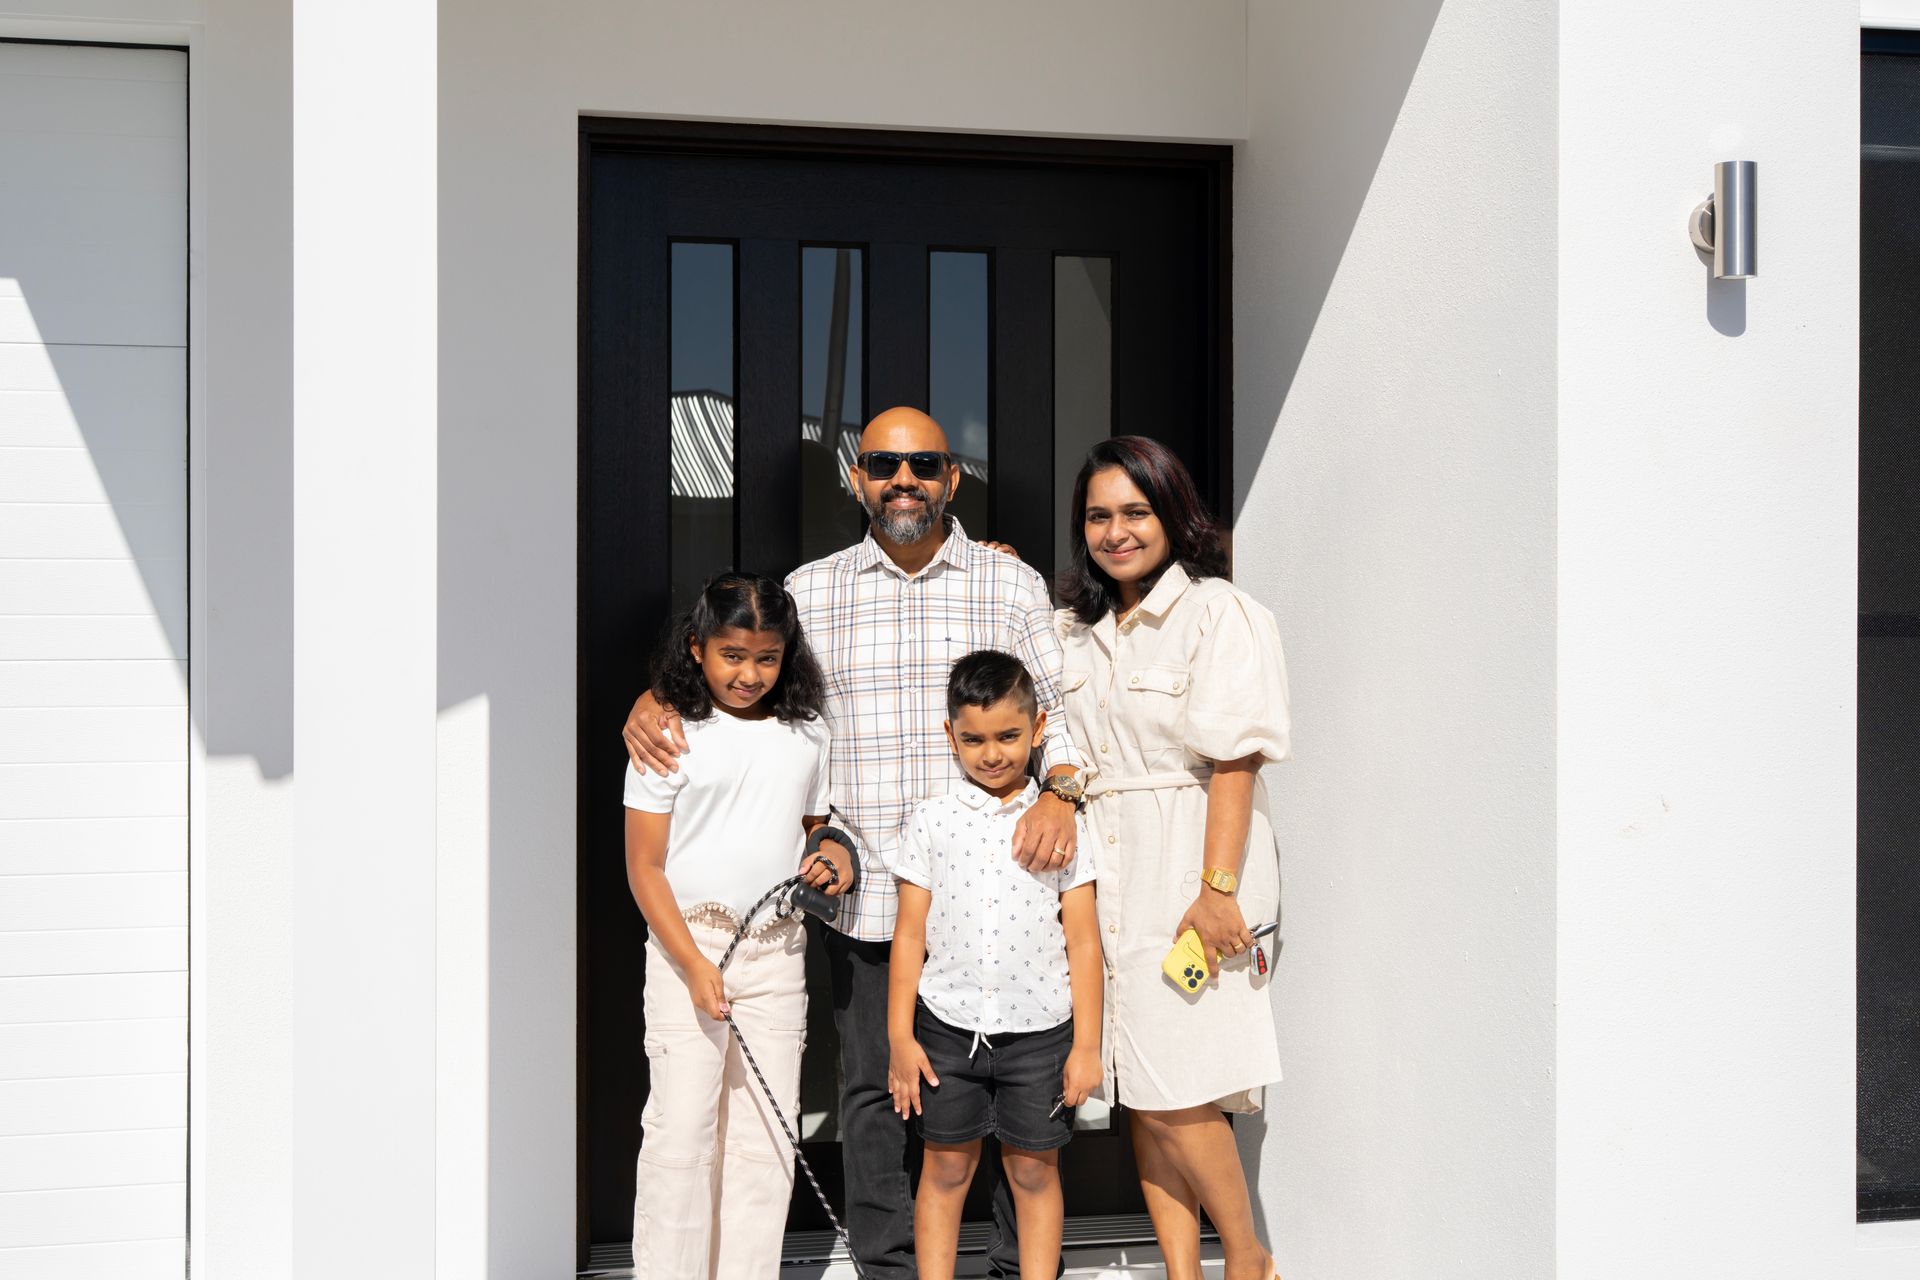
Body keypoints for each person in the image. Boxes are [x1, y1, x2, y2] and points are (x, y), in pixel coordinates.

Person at [623, 407, 1088, 1280]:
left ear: (954, 478)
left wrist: (1062, 790)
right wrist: (656, 699)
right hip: (872, 891)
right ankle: (889, 1266)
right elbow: (745, 682)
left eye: (923, 465)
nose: (902, 480)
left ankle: (1009, 1269)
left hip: (1004, 894)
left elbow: (1060, 710)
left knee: (1008, 1108)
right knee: (873, 1096)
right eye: (882, 463)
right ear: (856, 478)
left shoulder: (1009, 587)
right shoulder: (811, 591)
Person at [1055, 436, 1290, 1280]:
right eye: (1098, 516)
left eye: (1134, 512)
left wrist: (1217, 889)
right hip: (1109, 870)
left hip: (1191, 863)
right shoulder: (1074, 630)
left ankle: (1248, 1258)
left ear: (1171, 514)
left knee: (1179, 1082)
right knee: (1143, 1097)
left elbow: (1237, 761)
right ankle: (1182, 1272)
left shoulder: (1219, 612)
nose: (1116, 532)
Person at [620, 573, 854, 1280]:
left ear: (788, 656)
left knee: (765, 1136)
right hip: (685, 945)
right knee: (682, 1130)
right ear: (697, 649)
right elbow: (645, 867)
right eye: (731, 655)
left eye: (766, 657)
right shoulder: (669, 733)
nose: (749, 674)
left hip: (776, 951)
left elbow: (817, 824)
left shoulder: (807, 731)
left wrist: (832, 852)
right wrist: (693, 965)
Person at [886, 651, 1104, 1280]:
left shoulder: (1063, 826)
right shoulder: (931, 821)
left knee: (1034, 1171)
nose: (992, 753)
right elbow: (909, 934)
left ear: (1038, 732)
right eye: (974, 738)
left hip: (1040, 1034)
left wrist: (1085, 1045)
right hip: (946, 1032)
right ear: (949, 734)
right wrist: (900, 1036)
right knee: (946, 1168)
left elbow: (1083, 943)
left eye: (1009, 736)